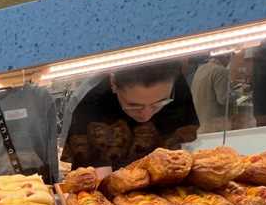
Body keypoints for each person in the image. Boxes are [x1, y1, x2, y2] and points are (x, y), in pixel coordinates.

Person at [62, 61, 198, 172]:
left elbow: (186, 143)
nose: (146, 115)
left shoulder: (176, 87)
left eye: (159, 103)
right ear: (113, 84)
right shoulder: (89, 102)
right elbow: (88, 172)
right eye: (134, 106)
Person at [0, 83, 59, 183]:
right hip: (23, 186)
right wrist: (55, 182)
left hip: (3, 187)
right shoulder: (41, 95)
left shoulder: (42, 96)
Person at [191, 54, 234, 132]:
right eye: (230, 59)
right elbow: (224, 100)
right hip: (217, 125)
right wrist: (236, 94)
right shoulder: (221, 71)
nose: (229, 62)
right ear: (224, 56)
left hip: (202, 123)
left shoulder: (200, 69)